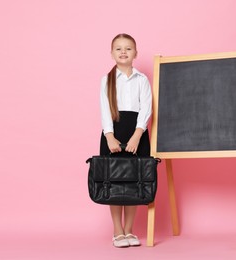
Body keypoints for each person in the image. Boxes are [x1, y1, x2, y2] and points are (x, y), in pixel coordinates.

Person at [99, 33, 152, 248]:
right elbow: (105, 110)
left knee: (133, 183)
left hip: (137, 133)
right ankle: (117, 230)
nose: (123, 52)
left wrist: (137, 135)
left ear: (135, 53)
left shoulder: (142, 79)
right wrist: (110, 136)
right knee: (114, 182)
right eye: (119, 48)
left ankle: (130, 230)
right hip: (113, 132)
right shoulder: (107, 80)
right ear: (112, 53)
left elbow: (146, 108)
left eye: (128, 48)